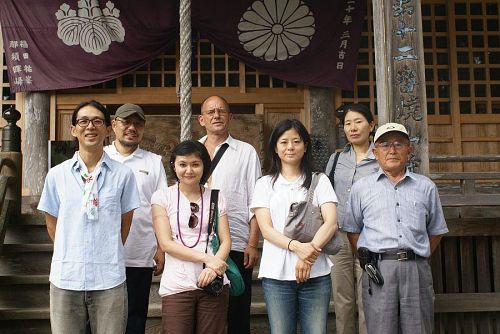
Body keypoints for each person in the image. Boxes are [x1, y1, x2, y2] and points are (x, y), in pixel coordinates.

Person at [37, 100, 140, 334]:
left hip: (109, 279)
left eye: (97, 121)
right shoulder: (57, 175)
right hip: (66, 279)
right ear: (74, 129)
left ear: (107, 129)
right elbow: (52, 223)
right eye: (83, 121)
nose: (90, 127)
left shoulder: (123, 175)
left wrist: (105, 252)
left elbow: (125, 224)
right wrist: (70, 250)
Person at [343, 122, 449, 334]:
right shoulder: (361, 188)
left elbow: (436, 231)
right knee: (381, 329)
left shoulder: (425, 186)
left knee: (418, 328)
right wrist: (369, 260)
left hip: (416, 268)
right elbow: (353, 230)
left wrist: (417, 255)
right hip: (379, 270)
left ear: (409, 149)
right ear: (375, 152)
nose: (392, 150)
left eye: (399, 144)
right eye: (384, 145)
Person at [251, 119, 338, 334]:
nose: (290, 147)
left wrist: (308, 256)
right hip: (277, 275)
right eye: (284, 142)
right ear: (275, 147)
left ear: (305, 145)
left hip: (316, 274)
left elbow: (331, 222)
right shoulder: (264, 184)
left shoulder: (320, 181)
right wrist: (297, 247)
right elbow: (266, 229)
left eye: (296, 141)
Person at [152, 140, 231, 334]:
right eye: (183, 164)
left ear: (204, 166)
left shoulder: (216, 197)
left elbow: (226, 239)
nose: (189, 170)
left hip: (213, 281)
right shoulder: (162, 197)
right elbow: (166, 243)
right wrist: (209, 260)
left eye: (195, 164)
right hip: (177, 283)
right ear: (173, 165)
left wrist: (214, 268)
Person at [198, 95, 261, 334]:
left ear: (230, 117)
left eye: (221, 111)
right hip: (197, 242)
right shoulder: (193, 150)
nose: (216, 115)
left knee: (237, 308)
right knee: (205, 310)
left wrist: (253, 243)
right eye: (211, 112)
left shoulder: (246, 152)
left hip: (235, 240)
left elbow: (256, 201)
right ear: (201, 119)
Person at [104, 103, 168, 334]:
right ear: (113, 125)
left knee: (135, 316)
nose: (132, 128)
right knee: (100, 318)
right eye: (126, 122)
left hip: (140, 252)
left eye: (137, 124)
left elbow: (161, 208)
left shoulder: (153, 161)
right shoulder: (101, 157)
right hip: (103, 253)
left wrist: (161, 247)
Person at [324, 103, 378, 334]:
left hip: (370, 237)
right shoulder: (336, 160)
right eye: (348, 123)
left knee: (368, 298)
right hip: (338, 238)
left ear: (371, 125)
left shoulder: (381, 158)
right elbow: (324, 196)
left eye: (358, 121)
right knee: (342, 300)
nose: (353, 128)